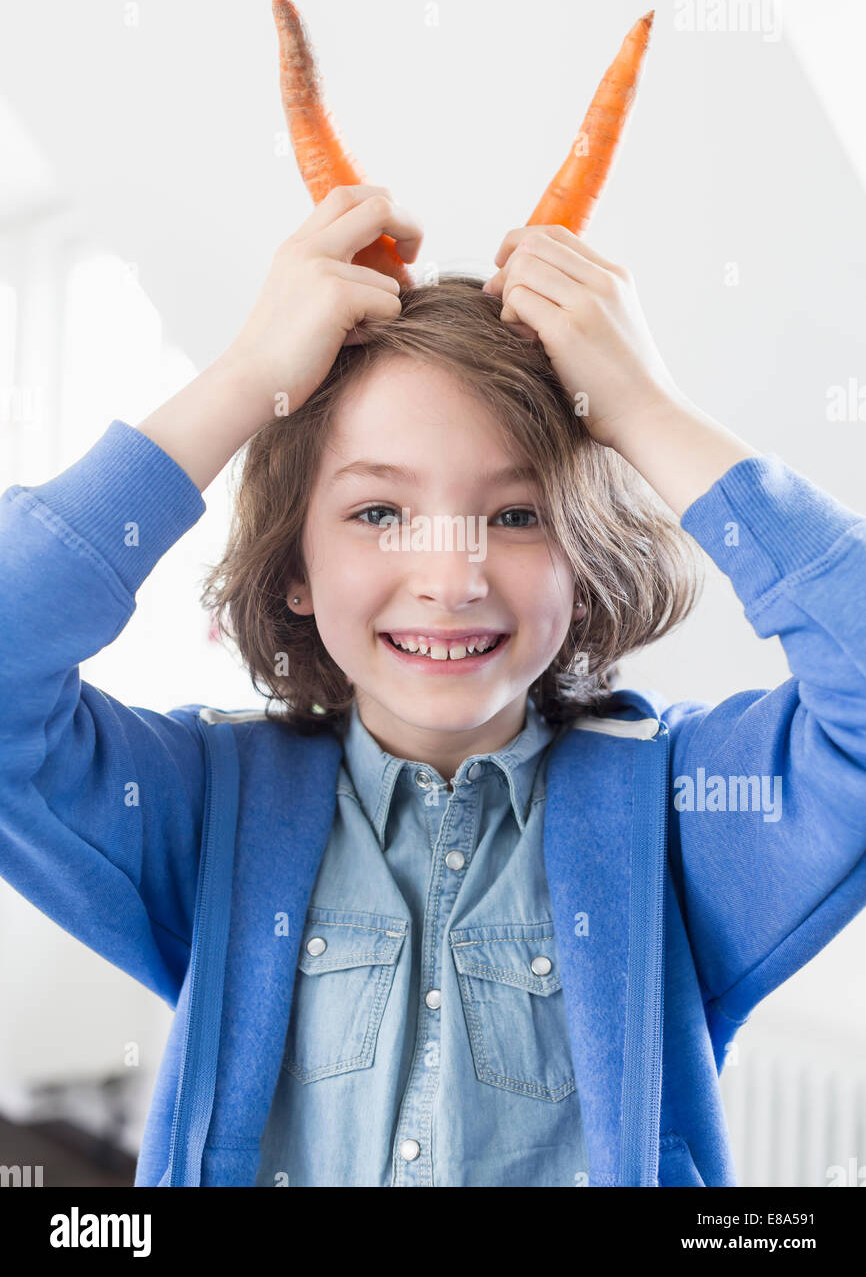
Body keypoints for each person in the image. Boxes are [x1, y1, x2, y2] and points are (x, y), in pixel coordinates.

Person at [1, 185, 864, 1187]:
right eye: (377, 512)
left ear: (582, 564)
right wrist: (243, 380)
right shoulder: (206, 812)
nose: (450, 579)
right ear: (294, 563)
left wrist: (638, 409)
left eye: (514, 516)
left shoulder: (680, 820)